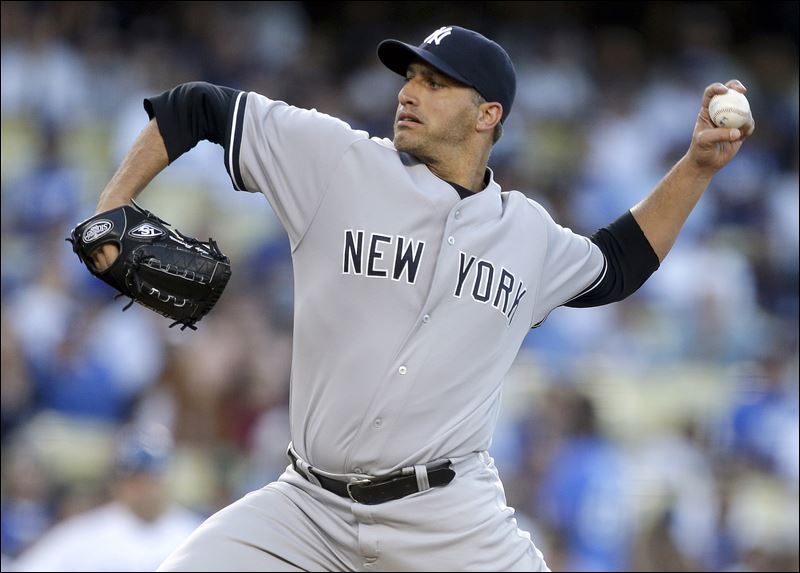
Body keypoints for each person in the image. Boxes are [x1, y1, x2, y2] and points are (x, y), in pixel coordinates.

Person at [83, 25, 754, 572]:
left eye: (436, 83)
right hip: (307, 506)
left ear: (488, 114)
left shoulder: (528, 234)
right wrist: (111, 206)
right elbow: (194, 106)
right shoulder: (336, 161)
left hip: (448, 520)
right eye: (410, 77)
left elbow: (618, 263)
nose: (410, 92)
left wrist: (696, 167)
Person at [10, 424, 201, 572]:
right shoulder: (84, 534)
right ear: (117, 483)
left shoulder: (194, 533)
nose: (144, 489)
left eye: (150, 479)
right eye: (134, 480)